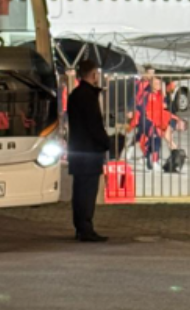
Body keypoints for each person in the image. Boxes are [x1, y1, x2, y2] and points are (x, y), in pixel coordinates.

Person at [67, 59, 109, 243]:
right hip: (89, 153)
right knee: (87, 192)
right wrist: (107, 143)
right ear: (93, 75)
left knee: (79, 191)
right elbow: (94, 126)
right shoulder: (87, 97)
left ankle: (81, 227)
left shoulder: (76, 94)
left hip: (78, 151)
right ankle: (86, 228)